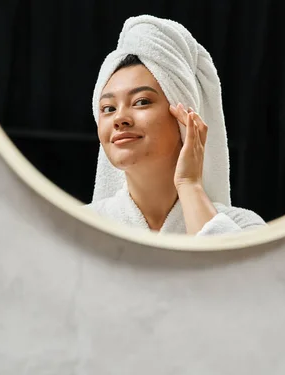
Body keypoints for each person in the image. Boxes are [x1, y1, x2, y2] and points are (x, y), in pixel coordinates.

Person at [86, 15, 266, 236]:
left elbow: (229, 269)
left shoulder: (243, 227)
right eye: (108, 108)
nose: (119, 118)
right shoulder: (82, 226)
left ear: (185, 117)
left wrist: (189, 184)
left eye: (141, 102)